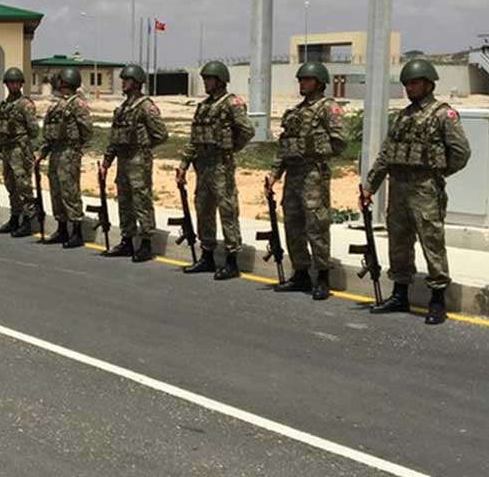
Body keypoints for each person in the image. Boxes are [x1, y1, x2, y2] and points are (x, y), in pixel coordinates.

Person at [360, 58, 471, 325]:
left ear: (429, 84)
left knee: (431, 243)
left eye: (415, 83)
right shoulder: (402, 117)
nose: (410, 88)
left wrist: (437, 173)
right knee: (398, 243)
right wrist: (369, 187)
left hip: (425, 189)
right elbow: (386, 155)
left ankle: (437, 300)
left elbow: (461, 152)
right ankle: (400, 293)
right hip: (398, 187)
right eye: (407, 84)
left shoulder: (444, 114)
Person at [266, 61, 347, 299]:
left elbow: (340, 142)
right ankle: (300, 272)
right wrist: (274, 174)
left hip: (313, 173)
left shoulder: (328, 108)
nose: (302, 83)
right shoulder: (295, 113)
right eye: (300, 80)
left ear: (319, 82)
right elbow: (284, 147)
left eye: (307, 80)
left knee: (316, 225)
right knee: (293, 224)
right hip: (293, 175)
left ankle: (322, 275)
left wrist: (314, 149)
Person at [177, 60, 255, 280]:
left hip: (221, 165)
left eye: (209, 79)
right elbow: (194, 139)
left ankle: (232, 260)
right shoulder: (203, 107)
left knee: (227, 210)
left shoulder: (232, 103)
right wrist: (184, 164)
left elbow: (247, 130)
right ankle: (207, 255)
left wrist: (231, 148)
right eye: (204, 79)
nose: (205, 83)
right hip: (202, 166)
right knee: (203, 209)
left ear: (220, 80)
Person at [101, 64, 167, 262]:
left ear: (137, 83)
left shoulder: (146, 106)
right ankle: (127, 240)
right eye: (123, 79)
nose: (123, 83)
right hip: (123, 159)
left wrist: (144, 146)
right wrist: (106, 162)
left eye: (127, 80)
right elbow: (114, 138)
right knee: (125, 201)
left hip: (139, 160)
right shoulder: (121, 109)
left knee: (141, 200)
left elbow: (161, 134)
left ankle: (146, 242)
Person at [36, 67, 93, 248]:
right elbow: (48, 132)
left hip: (69, 152)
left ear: (65, 81)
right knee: (56, 191)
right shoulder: (56, 104)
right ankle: (61, 228)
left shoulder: (78, 104)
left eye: (59, 80)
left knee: (70, 191)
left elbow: (87, 130)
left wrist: (75, 145)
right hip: (55, 151)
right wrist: (42, 152)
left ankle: (76, 231)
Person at [0, 67, 38, 237]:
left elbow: (34, 130)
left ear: (21, 84)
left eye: (16, 82)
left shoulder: (25, 104)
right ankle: (14, 217)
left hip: (19, 150)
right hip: (6, 149)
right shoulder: (3, 106)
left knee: (23, 185)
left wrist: (22, 141)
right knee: (11, 185)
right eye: (10, 82)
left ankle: (27, 221)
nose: (13, 85)